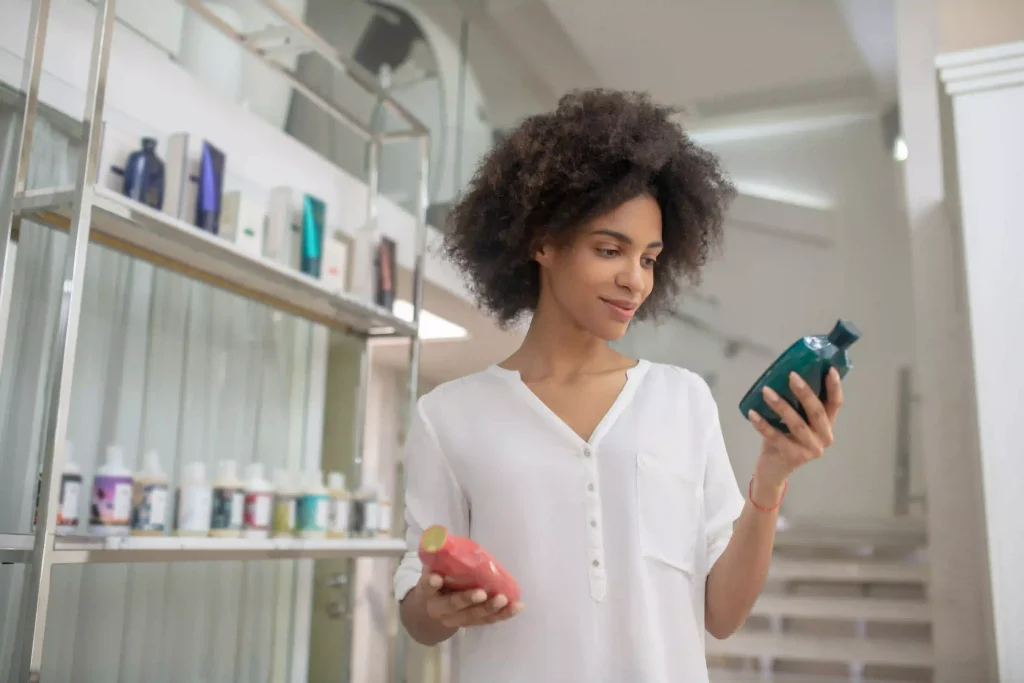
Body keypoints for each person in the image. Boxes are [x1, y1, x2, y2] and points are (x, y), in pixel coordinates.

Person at [393, 89, 844, 682]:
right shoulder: (448, 415)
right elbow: (418, 616)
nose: (634, 281)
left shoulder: (681, 400)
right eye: (611, 250)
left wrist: (773, 476)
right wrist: (436, 604)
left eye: (651, 259)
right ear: (543, 243)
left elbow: (724, 614)